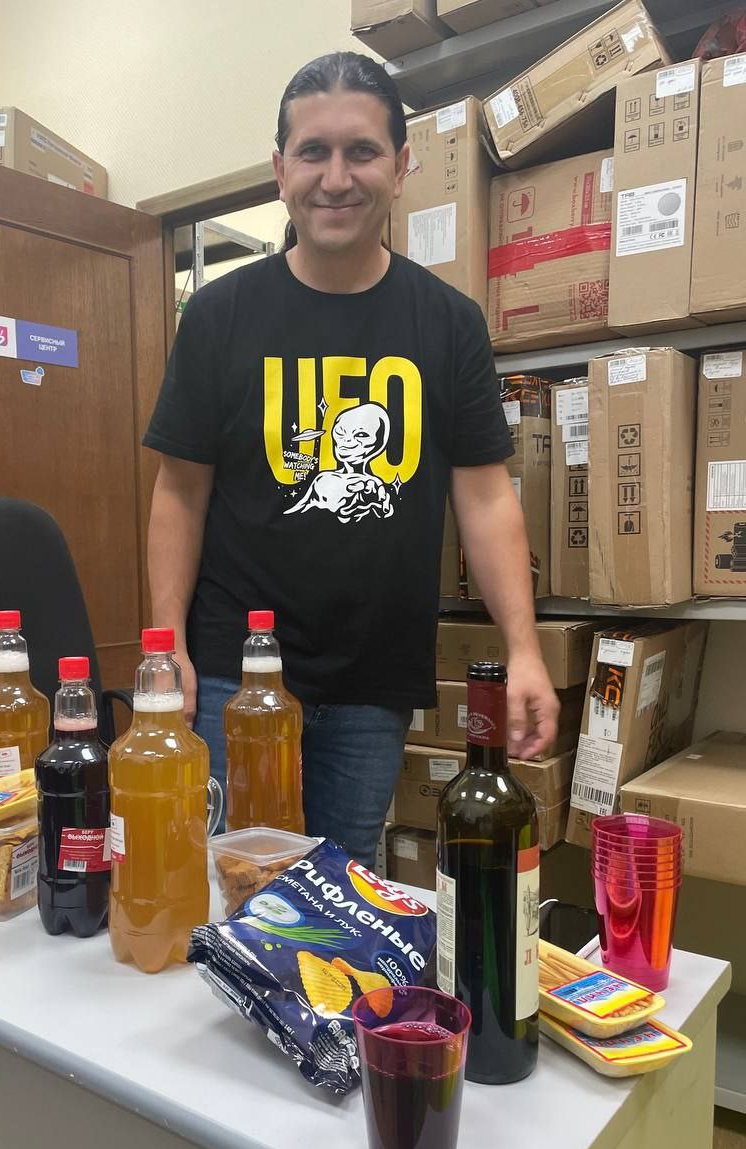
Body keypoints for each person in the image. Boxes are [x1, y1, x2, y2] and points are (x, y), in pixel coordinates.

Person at [143, 51, 559, 865]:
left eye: (361, 152)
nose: (336, 178)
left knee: (343, 888)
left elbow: (485, 498)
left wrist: (524, 649)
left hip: (374, 677)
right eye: (314, 152)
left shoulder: (448, 324)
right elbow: (179, 493)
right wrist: (167, 646)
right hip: (236, 672)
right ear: (280, 170)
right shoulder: (220, 316)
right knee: (233, 883)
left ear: (400, 168)